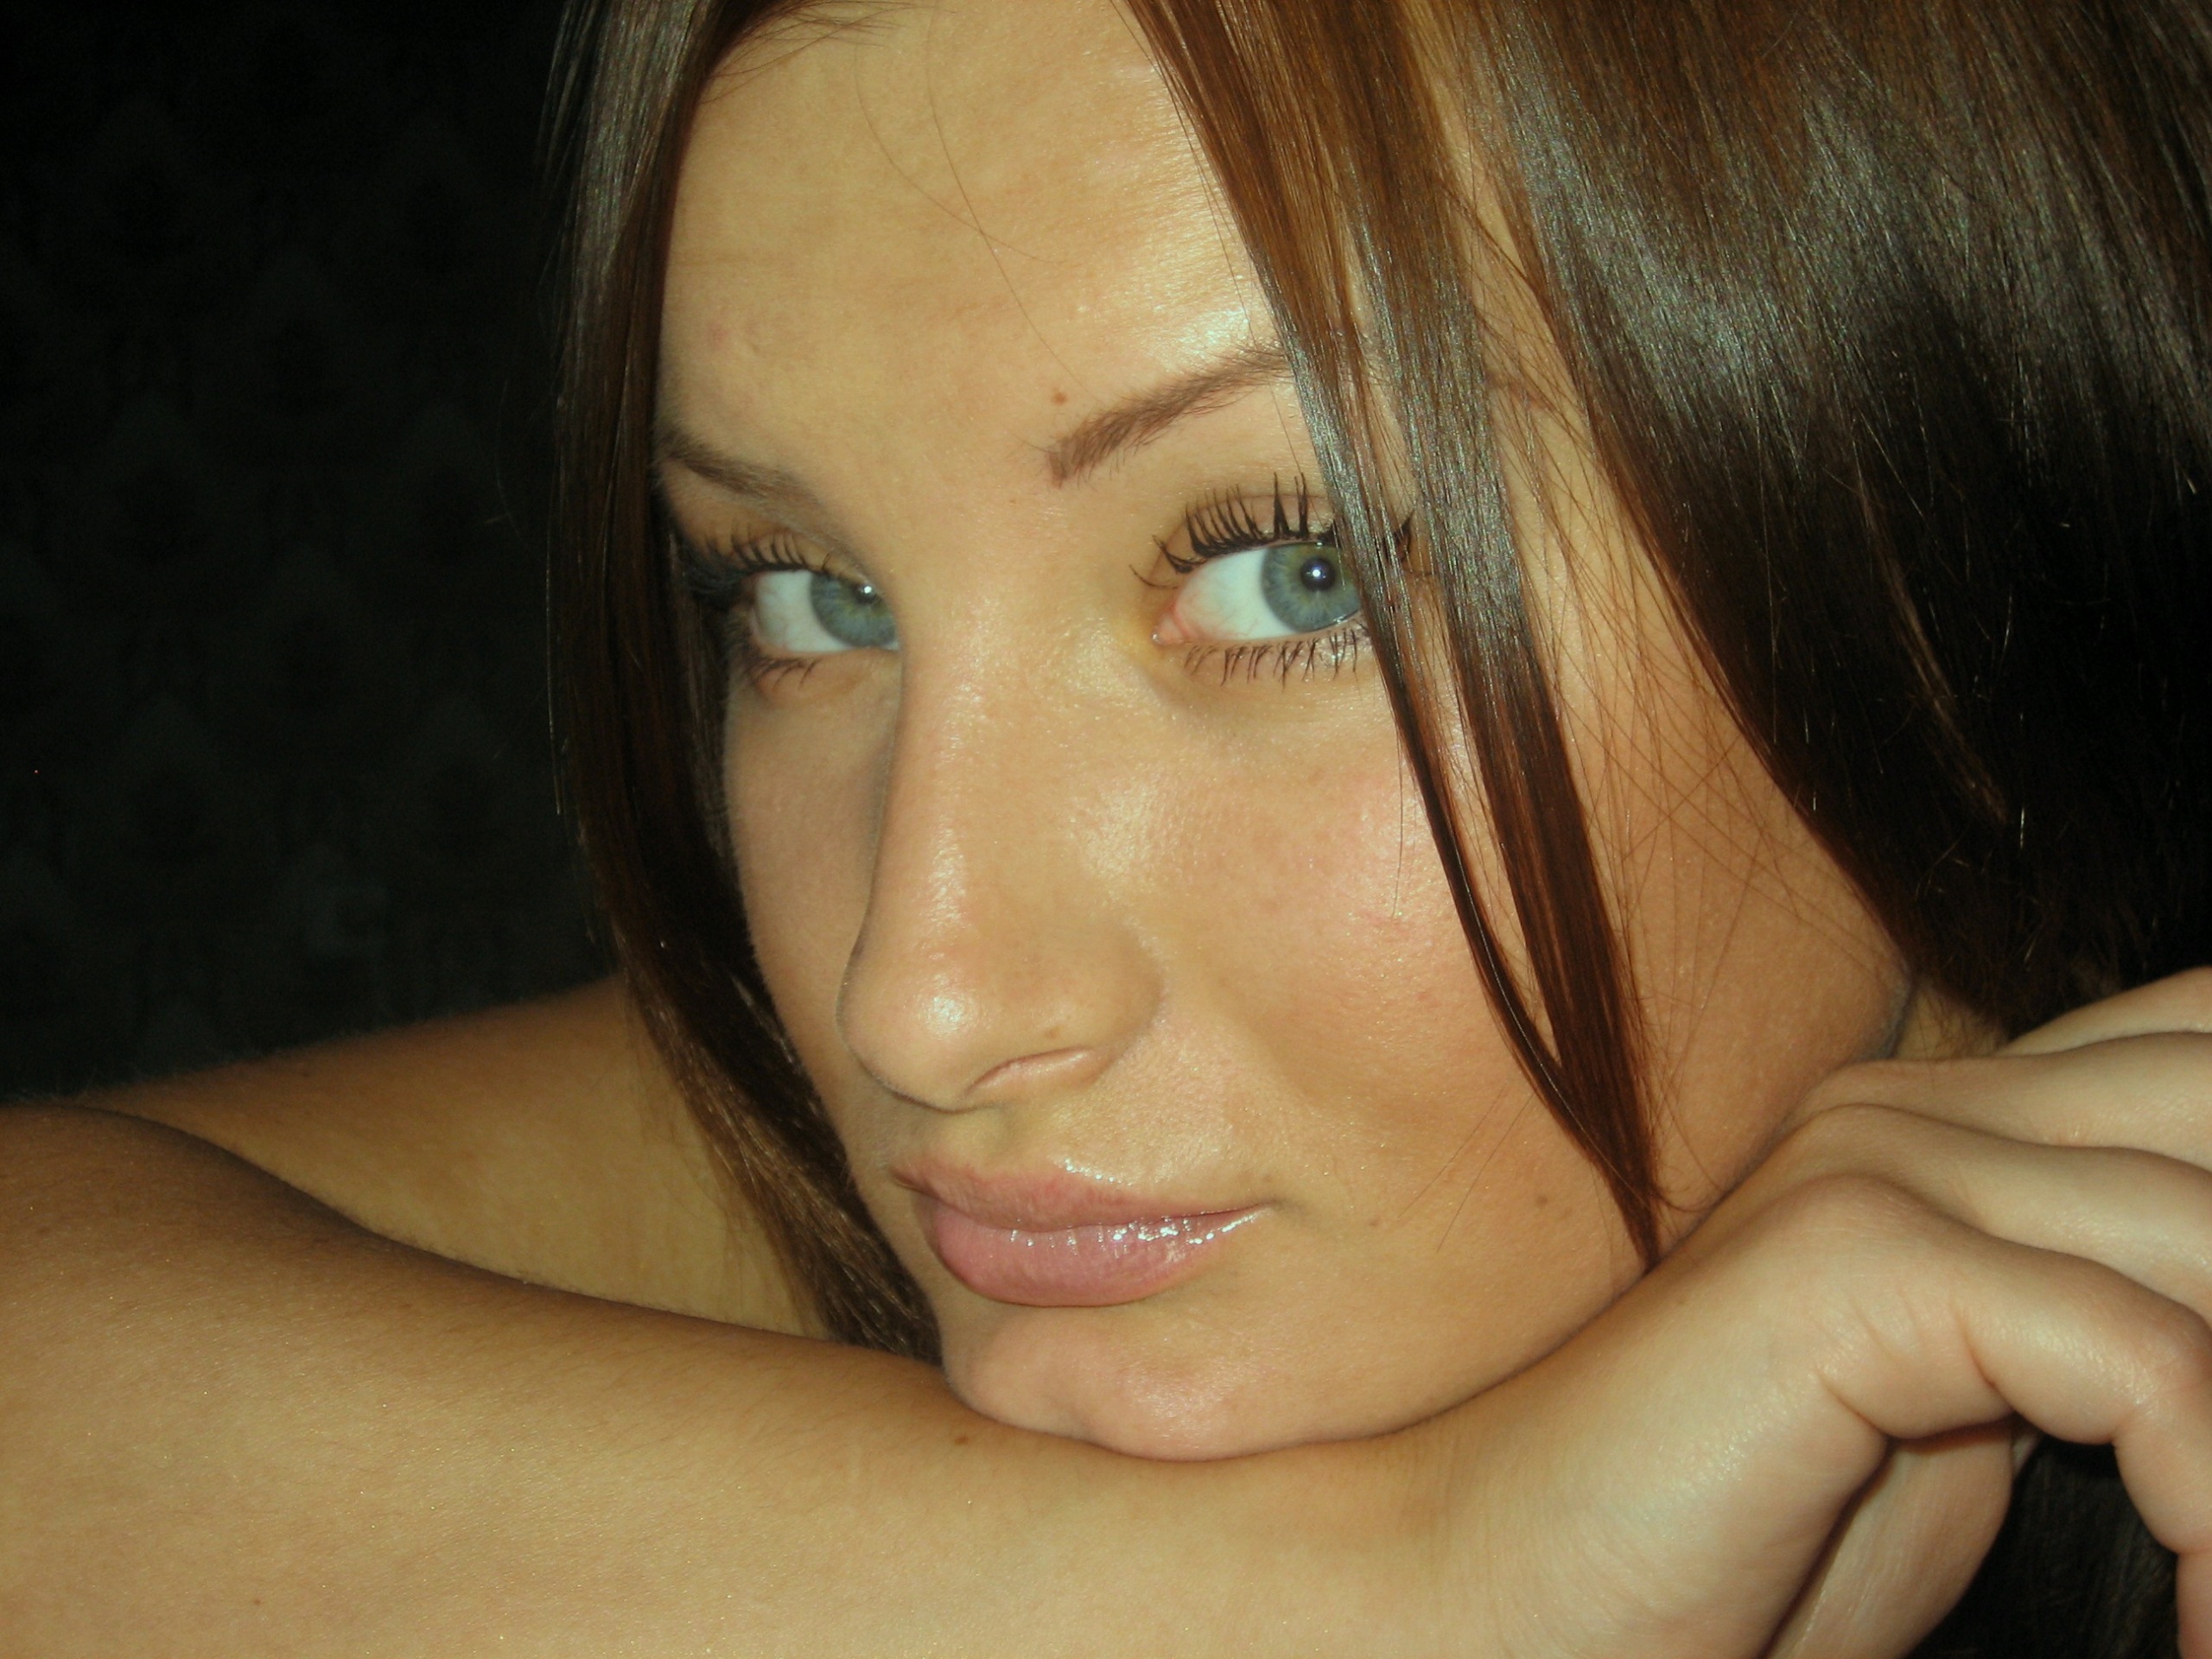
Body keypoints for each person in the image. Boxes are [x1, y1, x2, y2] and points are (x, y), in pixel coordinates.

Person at [6, 0, 2211, 1652]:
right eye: (806, 599)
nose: (915, 999)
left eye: (1289, 575)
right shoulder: (911, 1183)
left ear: (1956, 573)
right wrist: (1387, 1599)